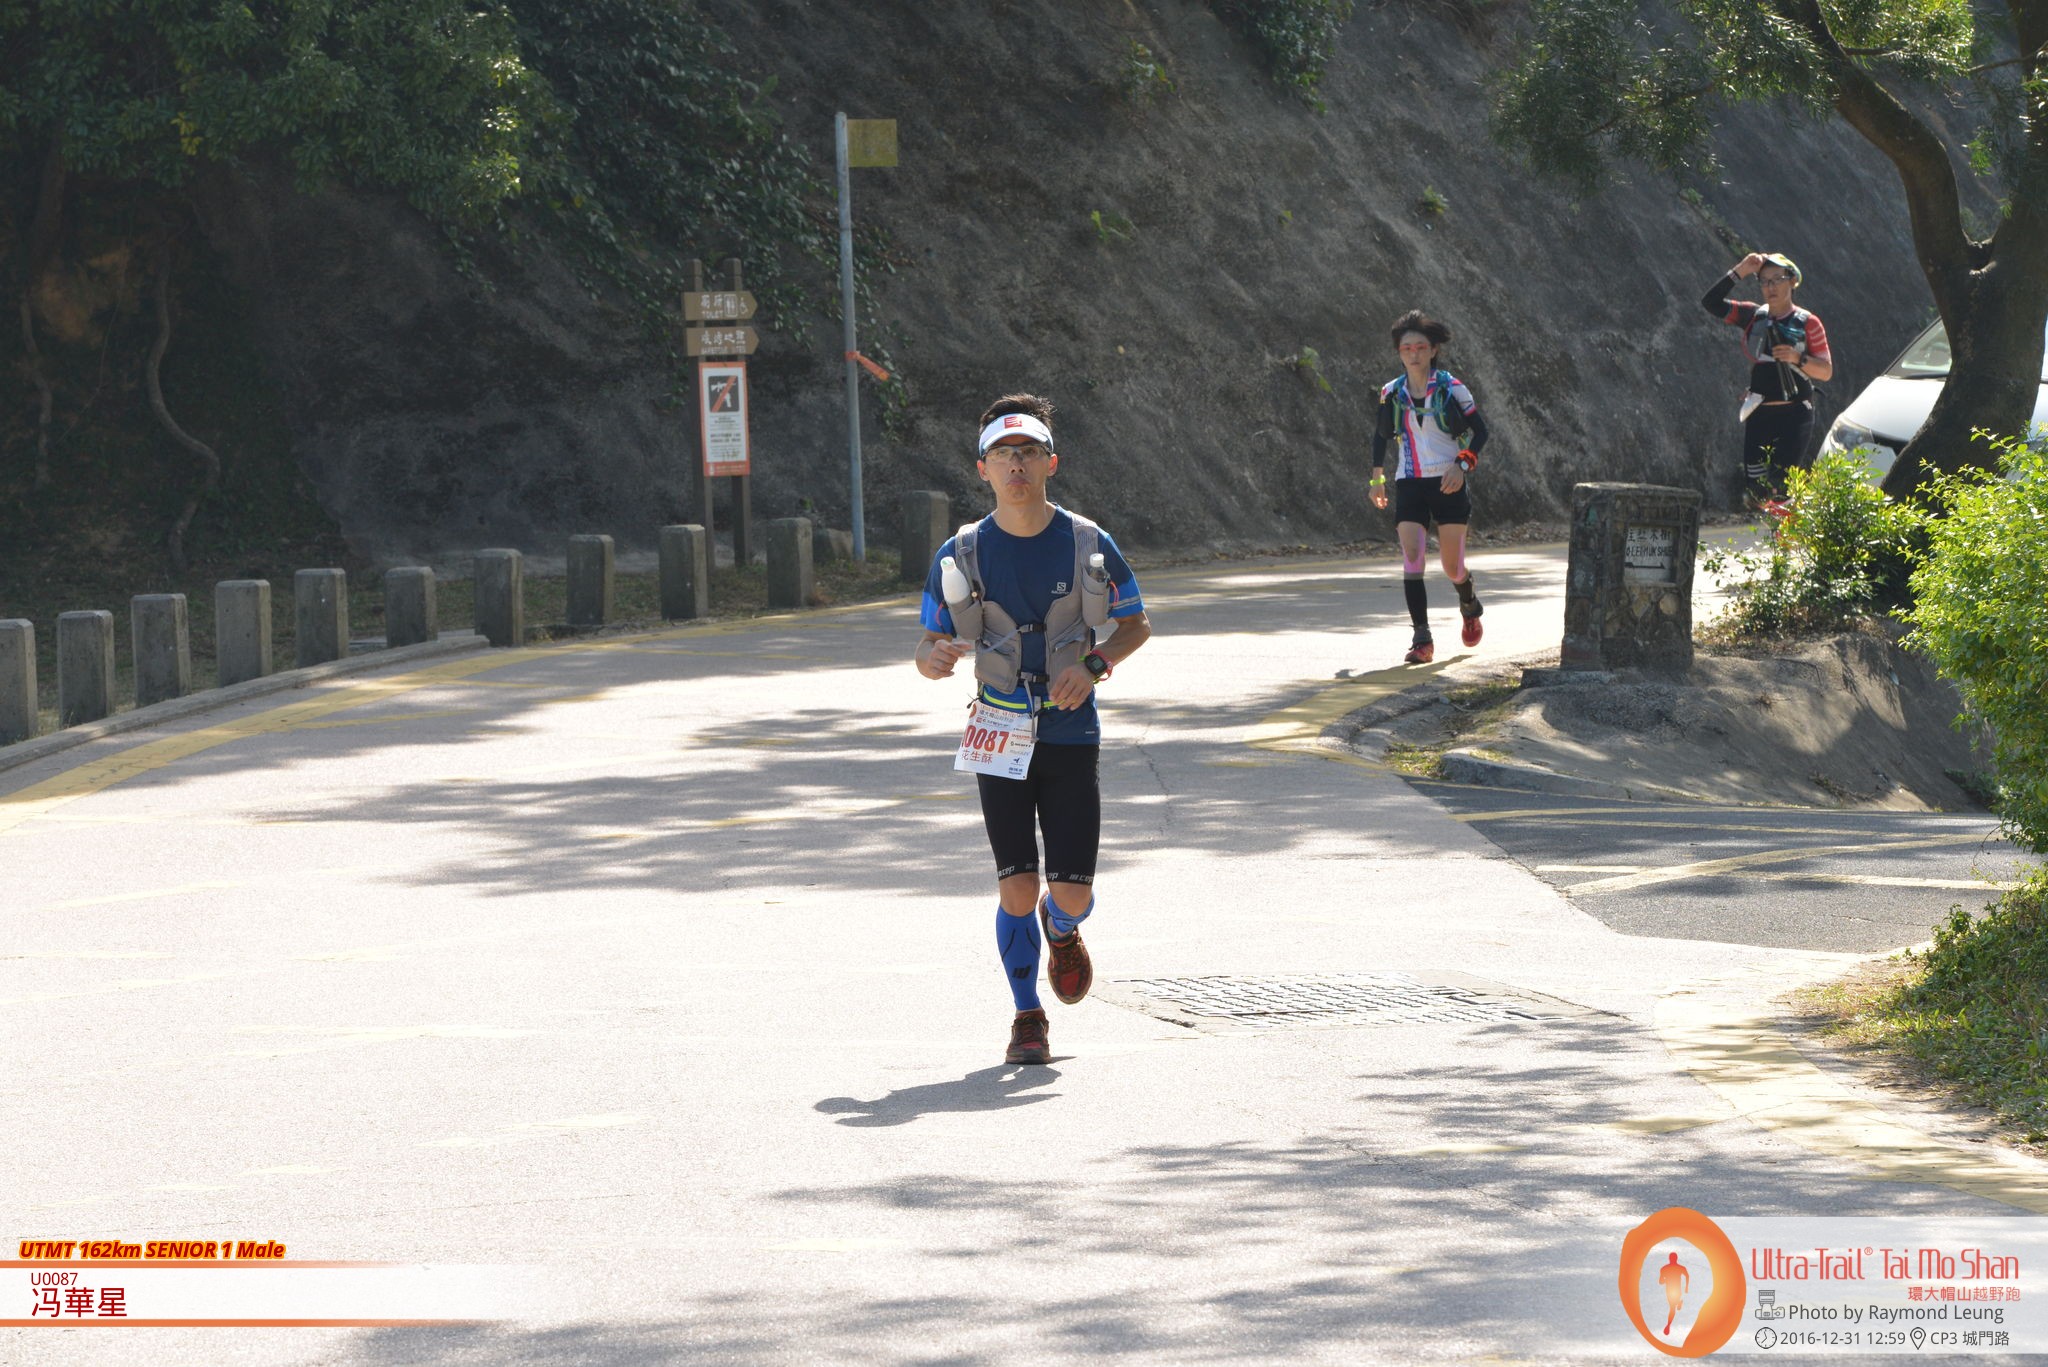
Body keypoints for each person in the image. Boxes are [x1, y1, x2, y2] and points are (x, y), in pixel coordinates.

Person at [914, 394, 1152, 1066]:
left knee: (1070, 891)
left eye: (1027, 453)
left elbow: (1135, 624)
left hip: (1071, 731)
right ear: (982, 469)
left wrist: (1094, 665)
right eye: (1002, 455)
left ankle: (1062, 926)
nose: (1015, 465)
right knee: (1015, 885)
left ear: (1052, 462)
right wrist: (933, 660)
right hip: (998, 728)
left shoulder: (1087, 542)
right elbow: (927, 643)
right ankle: (1027, 1015)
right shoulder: (961, 551)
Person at [1369, 309, 1492, 665]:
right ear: (1399, 353)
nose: (1414, 354)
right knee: (1412, 557)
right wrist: (1377, 479)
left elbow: (1480, 432)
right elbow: (1380, 436)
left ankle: (1469, 603)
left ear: (1433, 350)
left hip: (1448, 482)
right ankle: (1422, 639)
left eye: (1421, 347)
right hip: (1409, 481)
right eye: (1406, 348)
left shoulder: (1452, 388)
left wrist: (1462, 464)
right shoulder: (1391, 393)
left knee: (1453, 568)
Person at [1701, 252, 1834, 508]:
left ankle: (1787, 531)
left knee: (1781, 488)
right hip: (1759, 415)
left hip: (1795, 415)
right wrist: (1741, 270)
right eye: (1764, 281)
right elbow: (1711, 302)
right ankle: (1773, 529)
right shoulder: (1754, 317)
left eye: (1777, 279)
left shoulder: (1808, 323)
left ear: (1792, 281)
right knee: (1757, 491)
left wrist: (1797, 358)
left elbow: (1826, 371)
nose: (1770, 287)